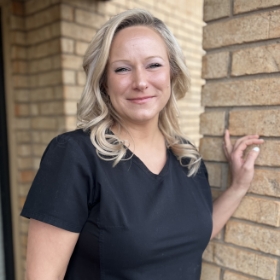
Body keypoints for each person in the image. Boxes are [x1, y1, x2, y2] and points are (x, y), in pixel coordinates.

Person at [21, 9, 264, 280]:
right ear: (103, 82)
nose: (140, 82)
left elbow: (193, 233)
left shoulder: (187, 158)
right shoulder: (74, 156)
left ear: (172, 73)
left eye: (153, 65)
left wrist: (238, 187)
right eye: (122, 69)